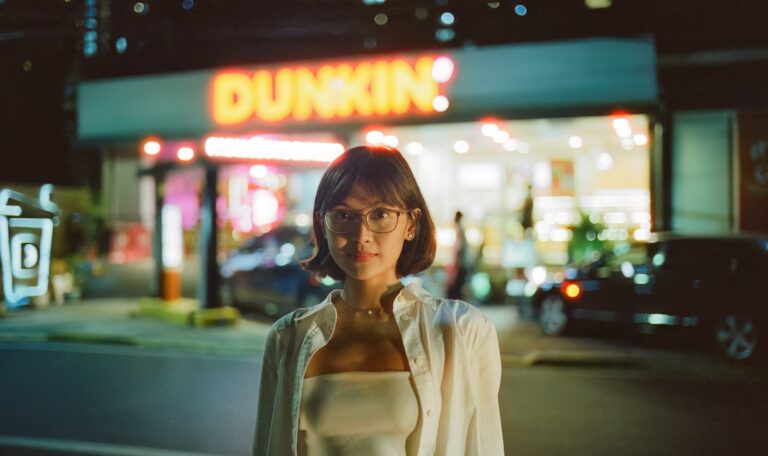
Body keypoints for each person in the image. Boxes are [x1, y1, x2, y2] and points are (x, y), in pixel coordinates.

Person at [253, 146, 504, 456]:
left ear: (411, 223)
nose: (361, 234)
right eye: (344, 215)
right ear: (322, 223)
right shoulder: (288, 337)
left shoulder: (462, 331)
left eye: (381, 214)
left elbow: (482, 445)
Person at [445, 210, 471, 300]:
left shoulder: (459, 229)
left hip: (458, 266)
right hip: (460, 265)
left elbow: (458, 250)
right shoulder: (461, 229)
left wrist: (454, 267)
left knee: (454, 291)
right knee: (457, 291)